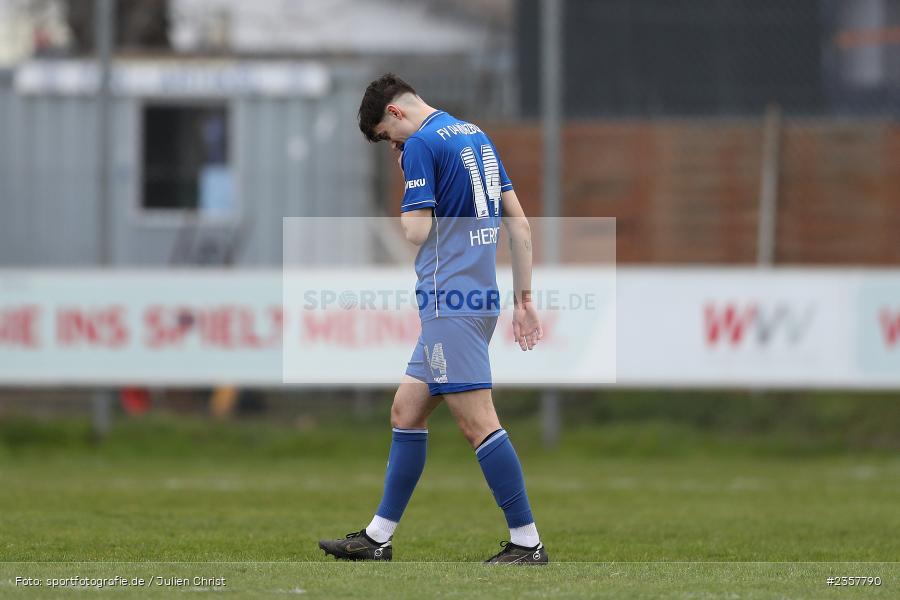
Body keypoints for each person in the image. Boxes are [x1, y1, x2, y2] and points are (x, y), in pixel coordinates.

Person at [318, 74, 546, 565]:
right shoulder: (474, 135)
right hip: (478, 297)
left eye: (385, 136)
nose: (391, 147)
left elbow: (416, 232)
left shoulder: (420, 144)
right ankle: (378, 537)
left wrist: (408, 184)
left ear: (396, 114)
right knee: (407, 411)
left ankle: (527, 541)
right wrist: (524, 298)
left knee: (478, 423)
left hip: (449, 301)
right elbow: (521, 225)